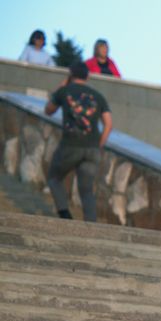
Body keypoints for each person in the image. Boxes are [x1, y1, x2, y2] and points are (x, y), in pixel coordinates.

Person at [44, 61, 112, 223]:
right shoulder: (98, 96)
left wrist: (61, 86)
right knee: (86, 190)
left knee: (54, 178)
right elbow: (108, 124)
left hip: (70, 145)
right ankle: (92, 225)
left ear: (70, 75)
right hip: (92, 149)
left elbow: (48, 110)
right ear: (88, 76)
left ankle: (65, 215)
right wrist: (98, 145)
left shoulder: (64, 91)